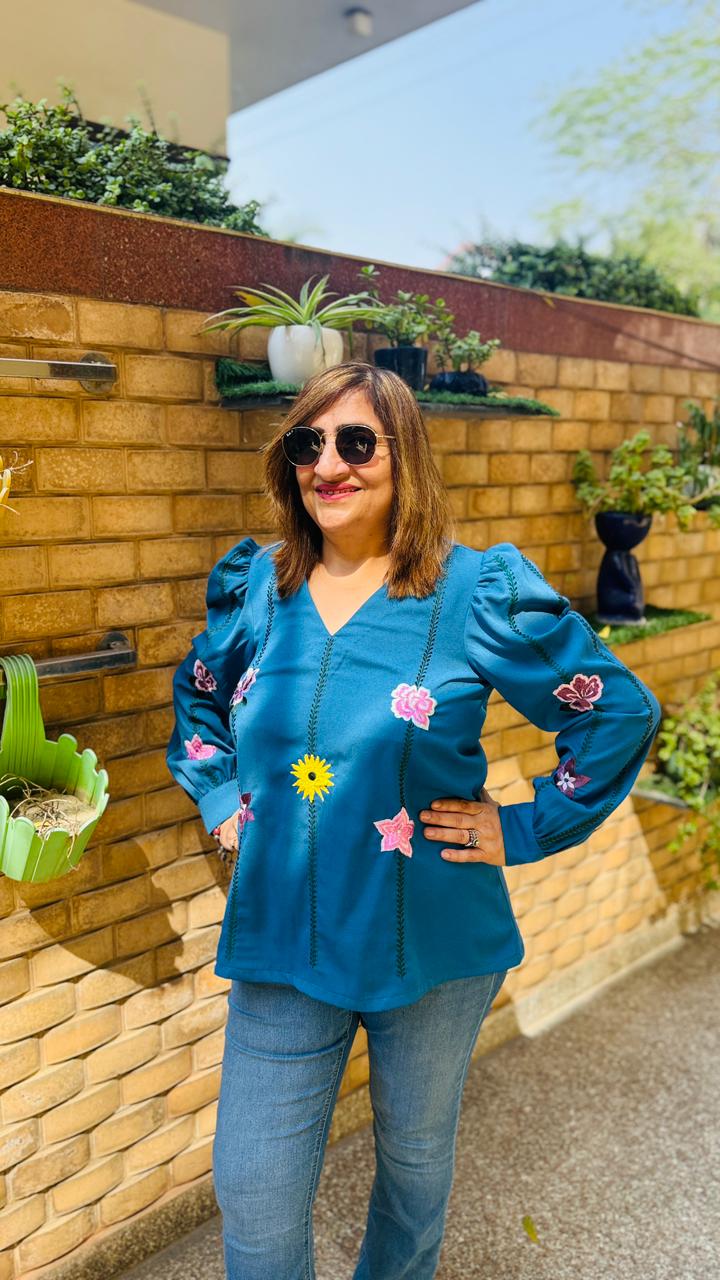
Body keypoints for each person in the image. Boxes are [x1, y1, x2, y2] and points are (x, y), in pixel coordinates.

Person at [167, 360, 662, 1279]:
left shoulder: (474, 592)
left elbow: (615, 709)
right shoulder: (257, 590)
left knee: (414, 1167)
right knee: (255, 1189)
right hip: (283, 936)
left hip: (431, 939)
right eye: (308, 443)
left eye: (357, 442)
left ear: (406, 460)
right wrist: (222, 794)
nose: (330, 465)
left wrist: (520, 827)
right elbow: (199, 699)